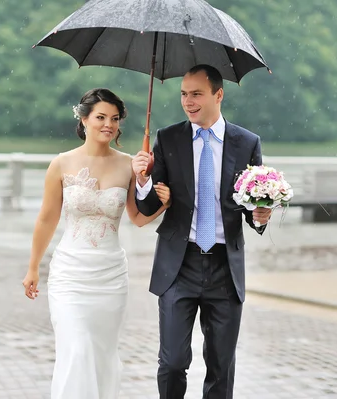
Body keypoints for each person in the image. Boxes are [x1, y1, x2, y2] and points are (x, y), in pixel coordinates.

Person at [131, 64, 272, 398]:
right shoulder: (168, 138)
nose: (188, 101)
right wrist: (142, 181)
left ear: (218, 94)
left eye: (196, 94)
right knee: (173, 362)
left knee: (222, 366)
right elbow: (150, 207)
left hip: (225, 267)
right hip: (178, 267)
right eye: (183, 94)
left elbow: (252, 210)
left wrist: (261, 215)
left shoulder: (247, 143)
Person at [22, 88, 172, 399]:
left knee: (102, 354)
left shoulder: (129, 164)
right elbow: (47, 219)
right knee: (76, 349)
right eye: (101, 117)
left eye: (115, 119)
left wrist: (162, 204)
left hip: (110, 276)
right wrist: (33, 267)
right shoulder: (61, 164)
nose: (108, 124)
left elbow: (137, 218)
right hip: (70, 275)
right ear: (84, 119)